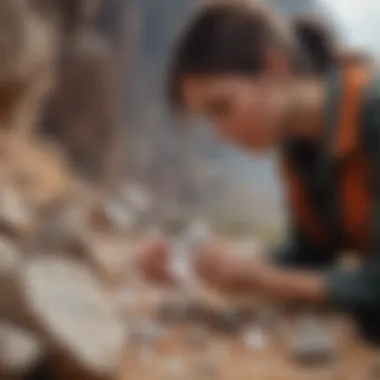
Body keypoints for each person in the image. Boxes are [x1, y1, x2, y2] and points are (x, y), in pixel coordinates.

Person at [137, 0, 380, 344]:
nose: (220, 133)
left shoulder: (372, 114)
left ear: (274, 68)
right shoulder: (299, 149)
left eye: (222, 107)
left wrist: (261, 279)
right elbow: (309, 257)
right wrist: (207, 262)